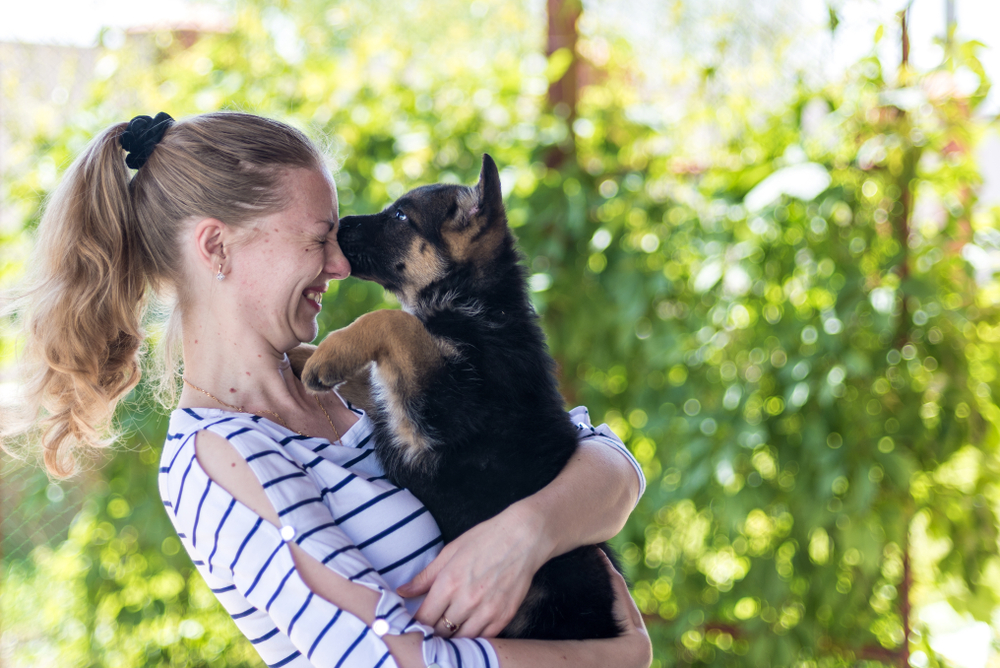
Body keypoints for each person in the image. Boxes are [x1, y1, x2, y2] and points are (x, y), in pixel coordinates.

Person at [7, 110, 653, 668]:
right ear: (218, 248)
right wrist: (612, 657)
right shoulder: (215, 463)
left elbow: (605, 462)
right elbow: (384, 659)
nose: (342, 264)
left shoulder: (340, 382)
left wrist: (527, 531)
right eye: (320, 239)